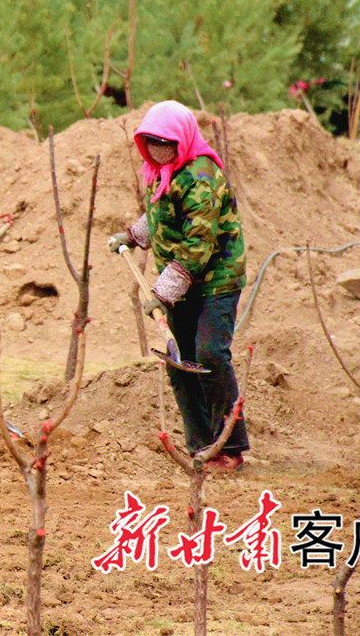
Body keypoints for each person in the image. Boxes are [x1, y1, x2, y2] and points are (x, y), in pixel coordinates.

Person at [108, 100, 249, 472]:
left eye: (165, 143)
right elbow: (162, 210)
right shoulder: (160, 170)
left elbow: (197, 244)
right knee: (178, 362)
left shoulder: (201, 176)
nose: (157, 150)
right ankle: (202, 447)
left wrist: (161, 293)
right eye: (150, 142)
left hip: (216, 279)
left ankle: (230, 446)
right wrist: (132, 235)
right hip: (181, 282)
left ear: (182, 140)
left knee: (209, 356)